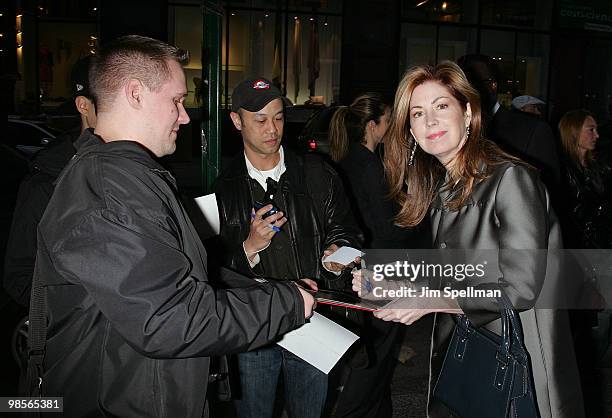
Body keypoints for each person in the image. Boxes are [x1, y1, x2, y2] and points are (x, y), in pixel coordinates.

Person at [31, 35, 315, 417]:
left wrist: (273, 289)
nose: (184, 116)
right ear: (135, 94)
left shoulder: (129, 176)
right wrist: (287, 303)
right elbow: (168, 319)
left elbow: (178, 278)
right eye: (177, 101)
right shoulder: (110, 188)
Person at [353, 61, 584, 417]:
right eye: (417, 113)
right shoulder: (446, 187)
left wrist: (428, 300)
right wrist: (394, 282)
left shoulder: (511, 179)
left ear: (468, 112)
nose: (429, 121)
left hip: (519, 363)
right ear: (410, 131)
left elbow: (519, 288)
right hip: (472, 358)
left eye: (441, 106)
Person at [214, 77, 361, 418]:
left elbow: (349, 232)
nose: (272, 129)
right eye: (260, 120)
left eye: (278, 117)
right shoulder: (223, 187)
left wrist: (336, 256)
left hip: (311, 322)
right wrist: (249, 246)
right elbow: (212, 266)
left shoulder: (317, 173)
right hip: (254, 328)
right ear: (237, 122)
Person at [328, 93, 423, 417]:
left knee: (376, 347)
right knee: (378, 351)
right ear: (373, 126)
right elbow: (388, 228)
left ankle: (377, 410)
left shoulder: (349, 161)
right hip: (383, 267)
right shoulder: (370, 166)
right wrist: (415, 213)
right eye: (386, 121)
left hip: (365, 264)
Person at [3, 56, 97, 307]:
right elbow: (20, 277)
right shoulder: (47, 181)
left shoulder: (138, 165)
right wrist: (91, 313)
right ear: (84, 105)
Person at [457, 54, 561, 191]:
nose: (467, 91)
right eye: (460, 86)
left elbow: (550, 191)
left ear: (493, 85)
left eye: (474, 83)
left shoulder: (532, 130)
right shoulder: (452, 132)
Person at [558, 109, 612, 249]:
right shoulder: (560, 168)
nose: (597, 135)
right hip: (575, 247)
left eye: (596, 129)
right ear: (574, 131)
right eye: (591, 130)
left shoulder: (599, 166)